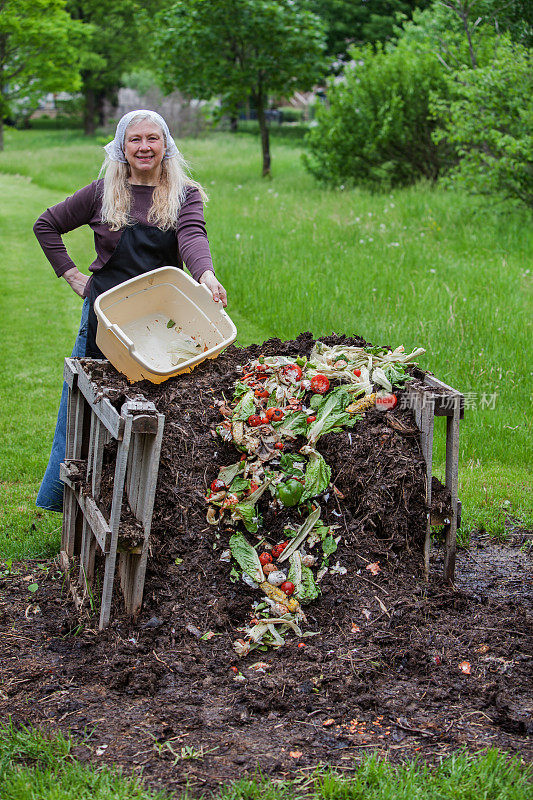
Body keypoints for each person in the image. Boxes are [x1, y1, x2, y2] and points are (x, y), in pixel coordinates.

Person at [33, 109, 227, 512]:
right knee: (84, 408)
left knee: (157, 408)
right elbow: (46, 224)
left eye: (152, 138)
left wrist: (205, 274)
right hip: (105, 323)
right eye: (135, 139)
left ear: (165, 145)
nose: (144, 147)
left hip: (160, 327)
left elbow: (192, 235)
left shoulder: (184, 194)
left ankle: (149, 506)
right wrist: (72, 276)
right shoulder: (102, 192)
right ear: (122, 146)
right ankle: (70, 502)